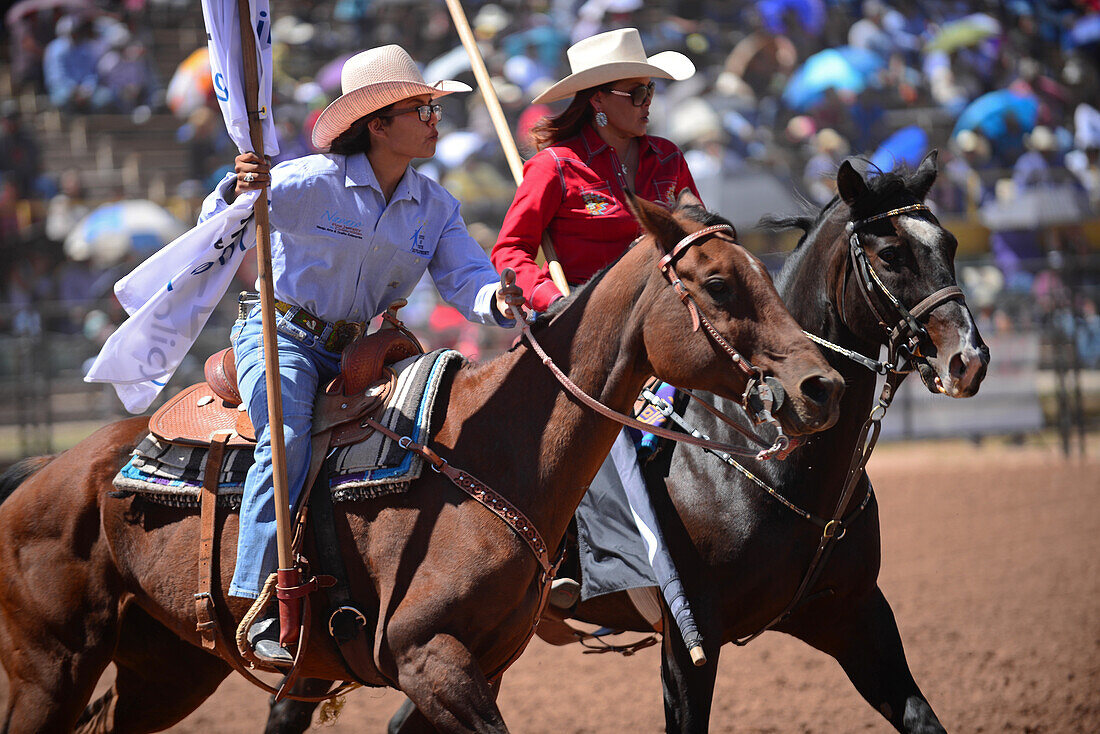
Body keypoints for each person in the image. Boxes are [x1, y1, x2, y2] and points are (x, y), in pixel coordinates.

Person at [200, 45, 524, 663]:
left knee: (441, 434)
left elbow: (467, 281)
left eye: (434, 107)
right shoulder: (301, 182)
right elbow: (221, 223)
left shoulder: (435, 205)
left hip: (362, 351)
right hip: (280, 334)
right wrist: (234, 189)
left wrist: (500, 302)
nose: (435, 119)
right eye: (422, 108)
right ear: (377, 124)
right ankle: (256, 596)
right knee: (287, 437)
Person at [490, 27, 697, 623]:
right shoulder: (554, 167)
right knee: (589, 432)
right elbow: (511, 252)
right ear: (598, 100)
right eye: (635, 92)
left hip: (667, 328)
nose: (646, 103)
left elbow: (694, 237)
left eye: (649, 92)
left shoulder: (669, 159)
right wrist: (553, 300)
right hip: (581, 339)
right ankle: (586, 560)